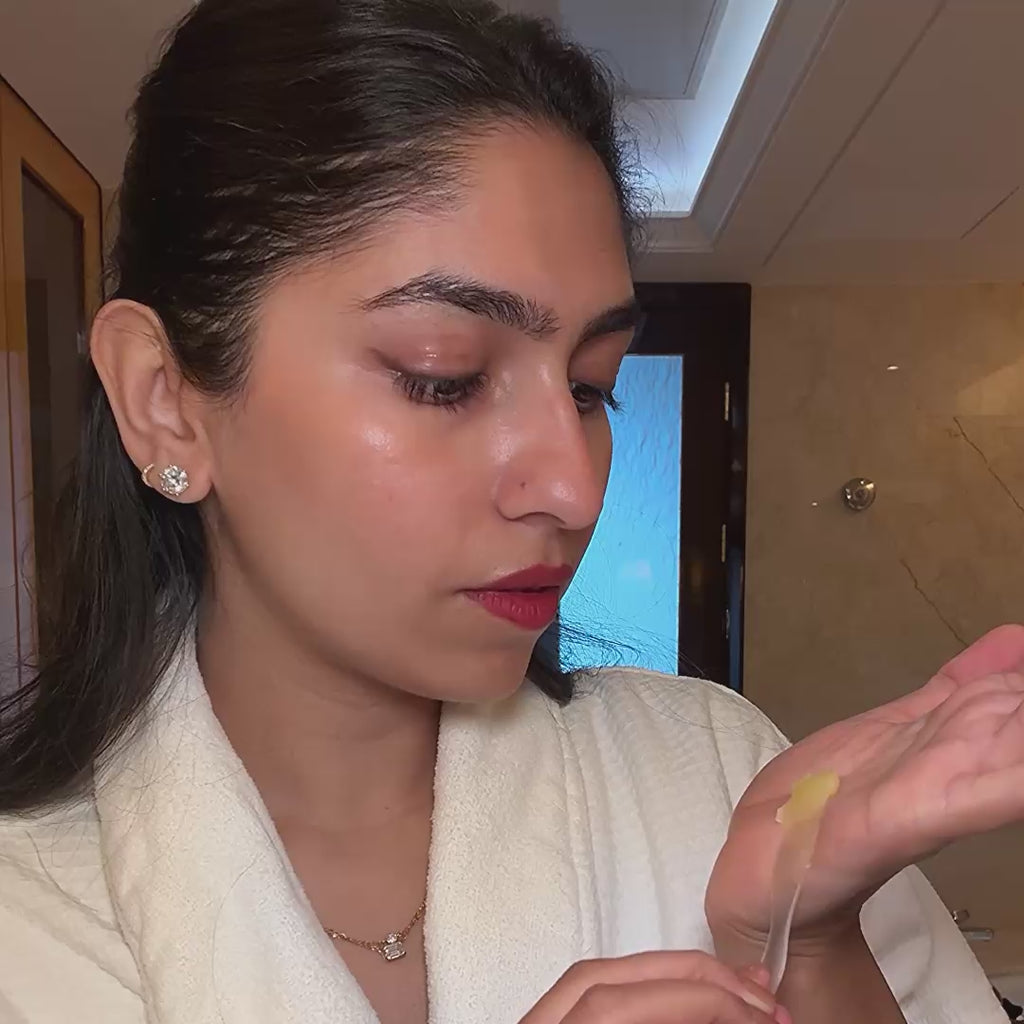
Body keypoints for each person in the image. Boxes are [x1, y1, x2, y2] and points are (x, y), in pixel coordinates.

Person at [0, 1, 1021, 1022]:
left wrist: (811, 947)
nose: (574, 486)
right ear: (164, 400)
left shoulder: (719, 779)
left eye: (591, 386)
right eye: (442, 376)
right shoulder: (28, 920)